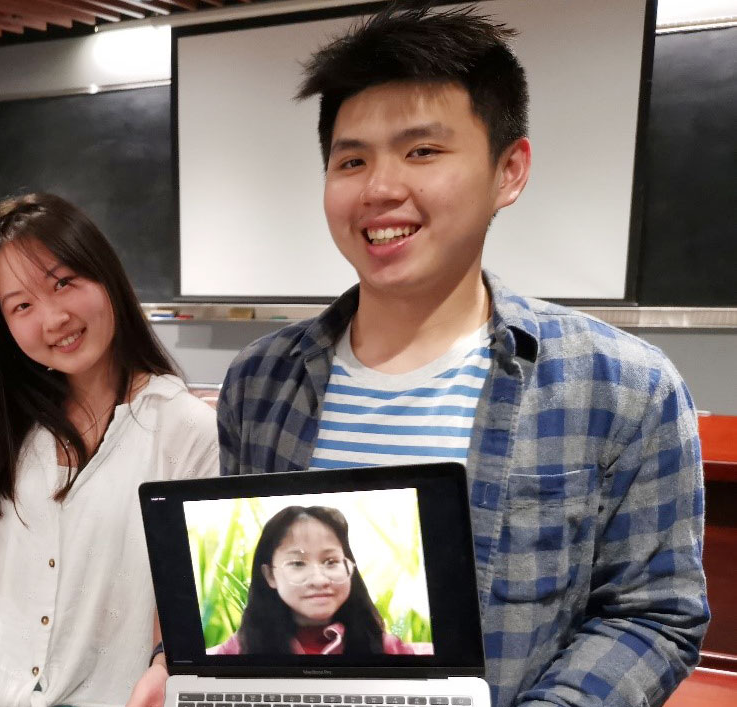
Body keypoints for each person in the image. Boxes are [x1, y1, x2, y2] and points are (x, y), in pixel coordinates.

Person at [200, 6, 707, 707]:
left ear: (508, 170)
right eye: (351, 159)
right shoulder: (259, 381)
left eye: (421, 151)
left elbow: (652, 614)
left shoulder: (625, 386)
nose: (379, 187)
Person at [0, 193, 219, 707]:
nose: (53, 318)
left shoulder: (187, 432)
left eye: (63, 283)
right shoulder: (9, 419)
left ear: (106, 278)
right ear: (4, 326)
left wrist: (167, 667)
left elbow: (198, 607)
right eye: (22, 306)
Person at [208, 506, 414, 656]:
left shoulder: (387, 649)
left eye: (331, 561)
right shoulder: (240, 650)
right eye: (298, 563)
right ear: (270, 576)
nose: (319, 579)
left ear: (349, 567)